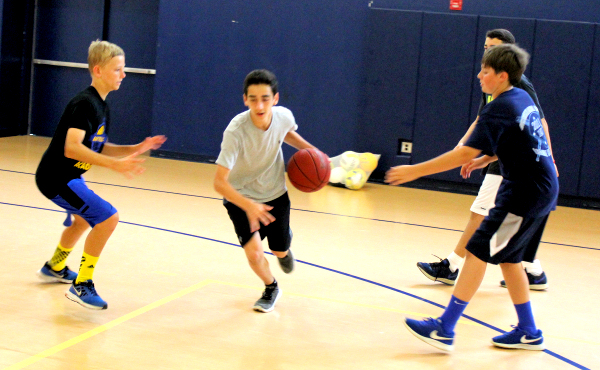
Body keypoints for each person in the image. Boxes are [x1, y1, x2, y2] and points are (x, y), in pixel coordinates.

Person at [386, 43, 558, 351]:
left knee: (477, 250)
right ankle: (529, 331)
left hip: (524, 193)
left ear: (502, 76)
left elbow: (462, 152)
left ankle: (444, 327)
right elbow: (519, 139)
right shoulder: (519, 96)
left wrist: (415, 171)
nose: (479, 75)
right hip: (537, 188)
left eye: (485, 71)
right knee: (510, 259)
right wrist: (485, 160)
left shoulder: (499, 106)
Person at [416, 29, 556, 290]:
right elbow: (482, 119)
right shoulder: (490, 81)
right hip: (503, 156)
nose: (487, 51)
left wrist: (550, 158)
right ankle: (534, 271)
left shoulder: (519, 86)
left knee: (480, 215)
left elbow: (540, 122)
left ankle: (452, 267)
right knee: (503, 246)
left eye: (493, 47)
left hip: (517, 162)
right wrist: (464, 145)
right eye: (485, 46)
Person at [35, 40, 166, 310]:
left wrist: (135, 148)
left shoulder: (100, 105)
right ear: (98, 70)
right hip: (57, 177)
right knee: (108, 217)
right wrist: (113, 165)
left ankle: (55, 266)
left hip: (68, 176)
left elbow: (96, 145)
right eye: (118, 69)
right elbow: (72, 148)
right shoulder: (85, 104)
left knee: (84, 220)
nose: (124, 74)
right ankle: (81, 285)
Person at [214, 69, 319, 313]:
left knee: (279, 248)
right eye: (253, 99)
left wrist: (314, 154)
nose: (259, 105)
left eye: (265, 98)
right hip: (241, 199)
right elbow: (219, 183)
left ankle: (284, 244)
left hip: (274, 194)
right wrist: (249, 205)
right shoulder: (235, 132)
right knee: (254, 253)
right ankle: (271, 287)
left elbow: (287, 135)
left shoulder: (283, 116)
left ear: (275, 98)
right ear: (245, 100)